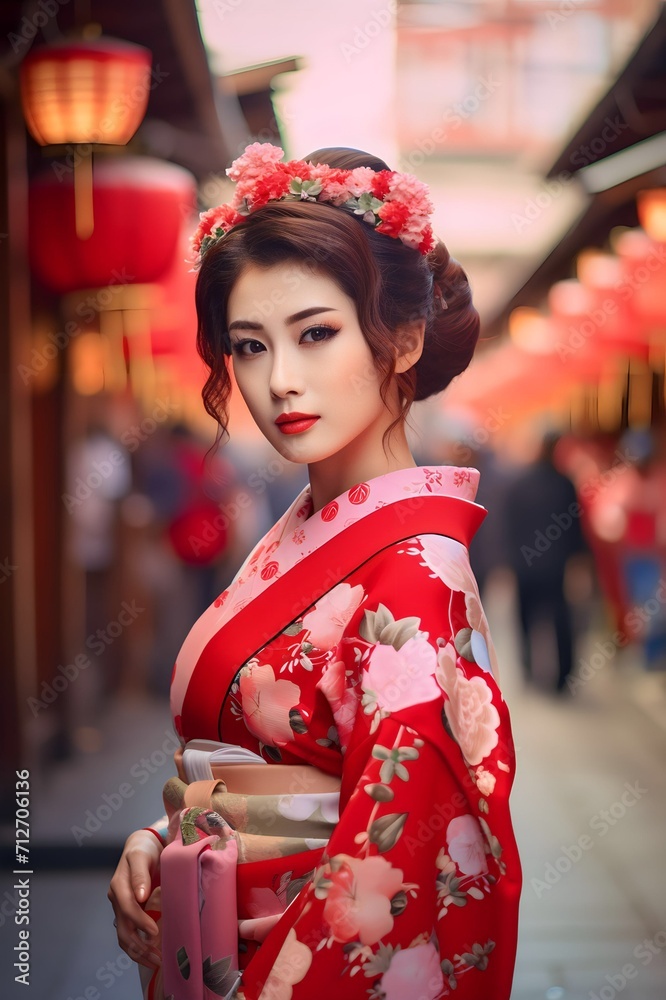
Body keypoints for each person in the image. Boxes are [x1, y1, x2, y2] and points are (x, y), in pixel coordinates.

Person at [108, 143, 522, 1000]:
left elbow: (399, 860)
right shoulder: (304, 528)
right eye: (249, 346)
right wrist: (162, 834)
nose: (279, 382)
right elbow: (261, 759)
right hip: (217, 941)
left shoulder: (414, 577)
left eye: (317, 333)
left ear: (403, 340)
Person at [504, 431, 588, 693]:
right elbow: (575, 527)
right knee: (560, 621)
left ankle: (529, 669)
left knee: (525, 619)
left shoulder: (519, 484)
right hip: (555, 566)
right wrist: (579, 563)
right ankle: (563, 677)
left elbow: (510, 527)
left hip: (525, 565)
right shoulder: (564, 484)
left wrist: (509, 560)